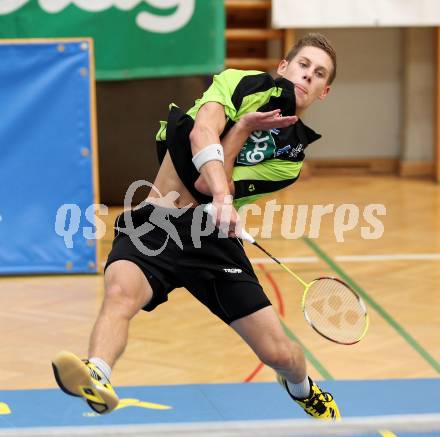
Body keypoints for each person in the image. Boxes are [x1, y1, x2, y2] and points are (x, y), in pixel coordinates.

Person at [52, 33, 340, 420]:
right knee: (120, 292)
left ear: (324, 92)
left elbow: (206, 184)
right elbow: (200, 134)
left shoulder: (289, 159)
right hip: (156, 222)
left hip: (211, 239)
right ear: (283, 67)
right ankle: (97, 373)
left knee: (279, 354)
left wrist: (236, 142)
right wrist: (232, 161)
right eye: (303, 65)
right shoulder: (242, 84)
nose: (308, 76)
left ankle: (302, 388)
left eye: (318, 74)